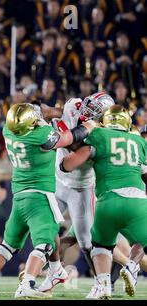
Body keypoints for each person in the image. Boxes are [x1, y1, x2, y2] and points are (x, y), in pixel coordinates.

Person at [0, 102, 96, 298]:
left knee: (7, 245)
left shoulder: (8, 131)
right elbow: (67, 138)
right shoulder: (39, 135)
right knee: (45, 244)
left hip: (19, 196)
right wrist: (89, 126)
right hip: (39, 196)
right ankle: (27, 284)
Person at [61, 105, 147, 299]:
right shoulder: (139, 141)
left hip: (107, 201)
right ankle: (132, 266)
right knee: (141, 241)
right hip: (138, 203)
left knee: (100, 246)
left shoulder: (99, 135)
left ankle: (103, 285)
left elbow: (67, 164)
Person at [39, 92, 115, 294]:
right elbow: (60, 114)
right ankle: (53, 272)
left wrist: (60, 126)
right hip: (57, 181)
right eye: (89, 104)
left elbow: (72, 144)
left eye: (95, 111)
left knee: (86, 241)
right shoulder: (74, 104)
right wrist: (52, 116)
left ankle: (102, 281)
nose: (87, 110)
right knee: (45, 226)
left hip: (81, 188)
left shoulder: (103, 133)